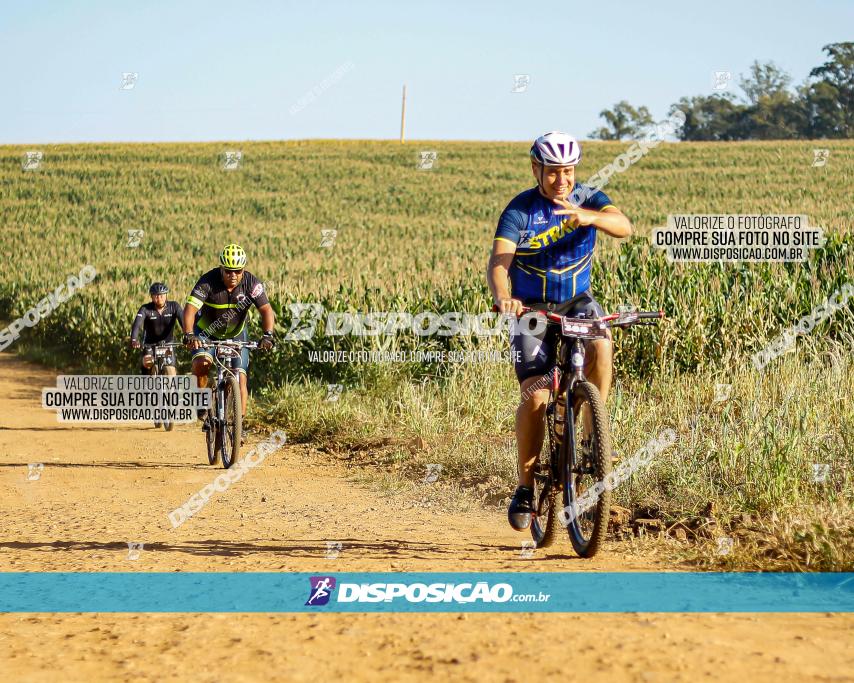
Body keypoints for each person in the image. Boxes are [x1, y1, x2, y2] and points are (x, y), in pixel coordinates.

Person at [486, 131, 633, 531]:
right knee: (535, 398)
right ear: (537, 169)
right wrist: (505, 297)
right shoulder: (520, 210)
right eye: (552, 172)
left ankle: (592, 431)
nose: (561, 180)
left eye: (568, 171)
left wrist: (590, 217)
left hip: (576, 300)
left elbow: (624, 226)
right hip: (531, 309)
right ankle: (525, 487)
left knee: (602, 342)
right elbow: (499, 263)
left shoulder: (589, 197)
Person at [183, 244, 275, 426]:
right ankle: (201, 402)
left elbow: (266, 310)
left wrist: (268, 335)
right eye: (228, 271)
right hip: (206, 332)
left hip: (237, 333)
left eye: (238, 271)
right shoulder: (207, 282)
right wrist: (189, 334)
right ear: (221, 269)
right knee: (202, 364)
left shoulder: (251, 284)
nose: (233, 275)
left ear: (244, 270)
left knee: (240, 379)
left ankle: (238, 424)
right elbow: (190, 309)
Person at [127, 282, 184, 376]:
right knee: (148, 363)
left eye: (162, 295)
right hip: (150, 344)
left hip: (168, 344)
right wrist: (134, 339)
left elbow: (184, 322)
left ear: (166, 295)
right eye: (156, 296)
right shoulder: (145, 309)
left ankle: (171, 390)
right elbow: (137, 325)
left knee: (171, 372)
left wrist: (188, 335)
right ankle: (146, 386)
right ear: (151, 297)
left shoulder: (174, 306)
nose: (159, 298)